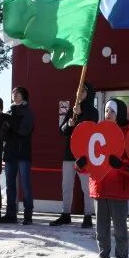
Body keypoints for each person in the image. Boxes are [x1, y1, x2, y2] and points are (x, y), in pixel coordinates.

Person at [81, 99, 129, 258]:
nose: (108, 114)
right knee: (101, 231)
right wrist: (81, 165)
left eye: (112, 111)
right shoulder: (97, 133)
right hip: (100, 188)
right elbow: (89, 162)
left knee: (120, 230)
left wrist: (120, 165)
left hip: (118, 189)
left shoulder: (127, 134)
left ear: (120, 113)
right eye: (106, 110)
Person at [51, 83, 98, 228]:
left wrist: (79, 115)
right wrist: (70, 123)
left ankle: (88, 216)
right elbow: (62, 131)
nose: (79, 93)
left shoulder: (92, 111)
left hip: (84, 155)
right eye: (78, 90)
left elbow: (90, 129)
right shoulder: (71, 110)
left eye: (83, 90)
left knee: (86, 187)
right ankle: (66, 214)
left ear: (88, 93)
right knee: (66, 186)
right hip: (68, 154)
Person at [0, 87, 35, 225]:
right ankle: (10, 214)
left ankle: (28, 214)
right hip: (10, 152)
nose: (15, 95)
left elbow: (24, 130)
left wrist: (10, 121)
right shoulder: (9, 111)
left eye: (17, 93)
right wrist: (4, 123)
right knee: (9, 185)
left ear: (23, 96)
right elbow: (2, 135)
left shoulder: (28, 111)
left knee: (25, 185)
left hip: (23, 153)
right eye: (13, 93)